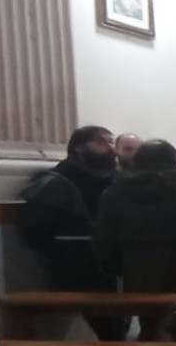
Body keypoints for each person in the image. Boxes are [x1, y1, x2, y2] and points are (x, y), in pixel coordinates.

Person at [94, 139, 176, 293]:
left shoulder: (113, 193)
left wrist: (118, 268)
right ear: (173, 160)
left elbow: (104, 240)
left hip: (134, 272)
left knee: (147, 314)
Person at [19, 126, 120, 302]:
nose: (111, 148)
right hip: (74, 268)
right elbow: (35, 232)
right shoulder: (56, 183)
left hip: (111, 267)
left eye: (111, 141)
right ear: (79, 148)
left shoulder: (116, 180)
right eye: (100, 142)